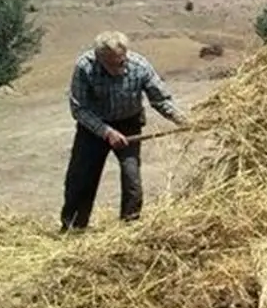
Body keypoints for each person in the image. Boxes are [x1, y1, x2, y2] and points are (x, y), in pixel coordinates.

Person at [60, 30, 188, 232]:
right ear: (99, 58)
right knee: (81, 179)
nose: (120, 67)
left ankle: (130, 228)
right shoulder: (85, 67)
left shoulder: (140, 66)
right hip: (93, 128)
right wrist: (106, 132)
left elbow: (160, 99)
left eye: (122, 61)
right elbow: (79, 108)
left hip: (129, 125)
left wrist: (184, 121)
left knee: (132, 180)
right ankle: (73, 228)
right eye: (112, 63)